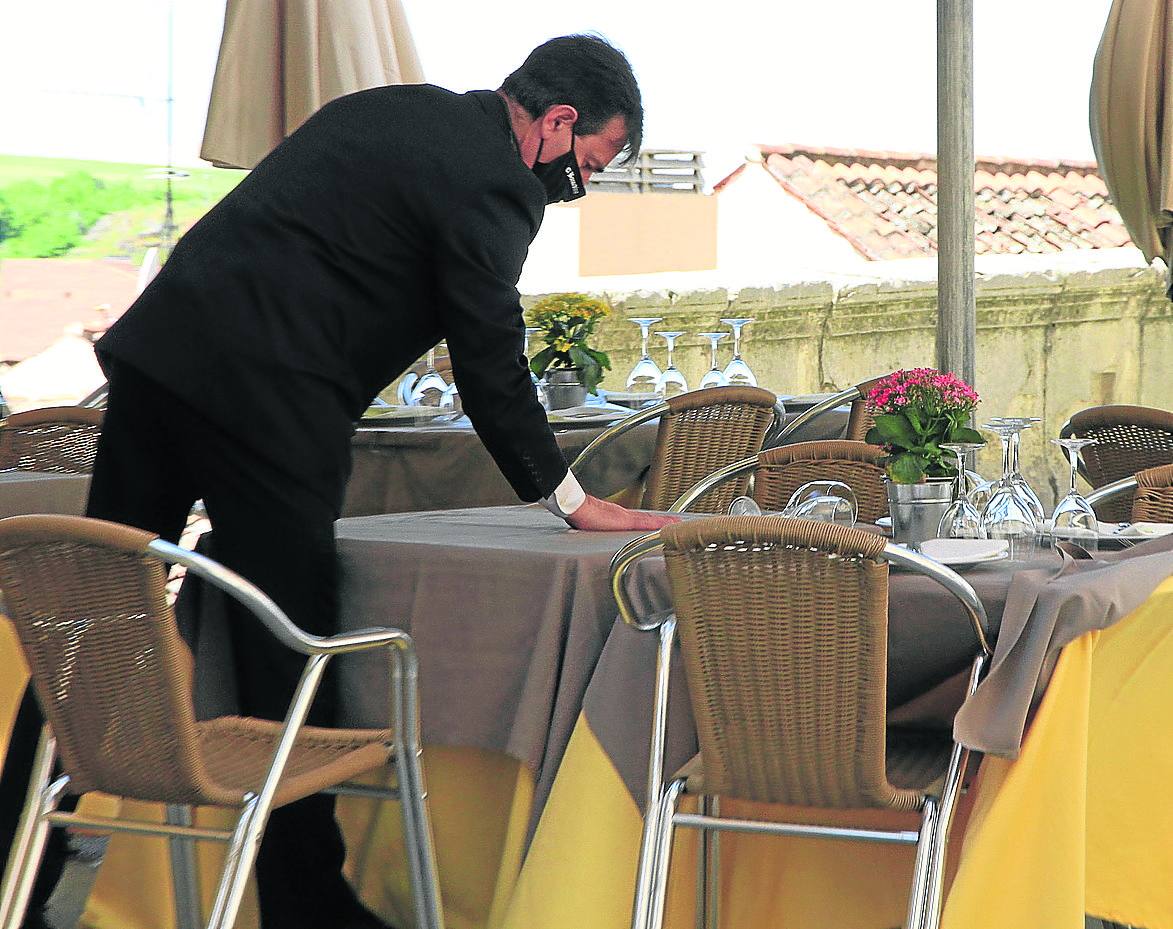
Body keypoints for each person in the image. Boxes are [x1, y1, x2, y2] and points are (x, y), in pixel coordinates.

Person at [0, 33, 679, 929]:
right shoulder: (497, 181)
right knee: (283, 641)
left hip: (160, 362)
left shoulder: (391, 107)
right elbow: (487, 356)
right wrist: (569, 497)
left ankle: (18, 864)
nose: (577, 186)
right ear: (555, 122)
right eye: (586, 164)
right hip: (268, 403)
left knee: (92, 625)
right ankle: (304, 901)